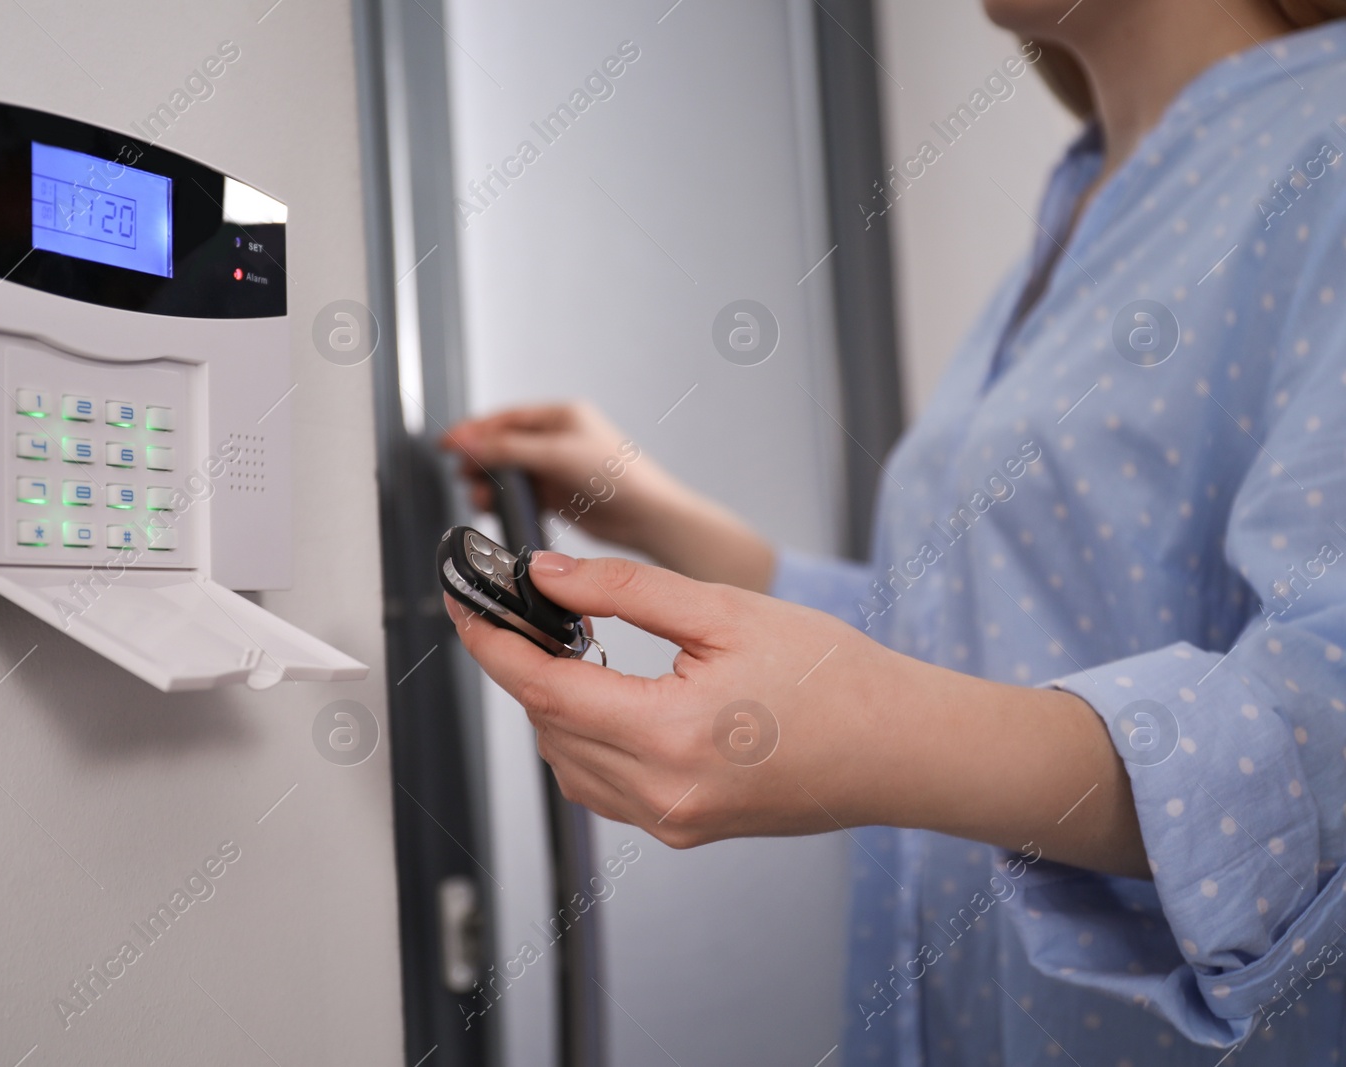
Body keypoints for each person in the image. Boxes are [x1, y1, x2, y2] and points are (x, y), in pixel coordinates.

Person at [440, 0, 1346, 1062]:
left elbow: (1321, 709)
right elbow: (957, 629)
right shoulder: (1084, 198)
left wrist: (877, 734)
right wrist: (652, 510)